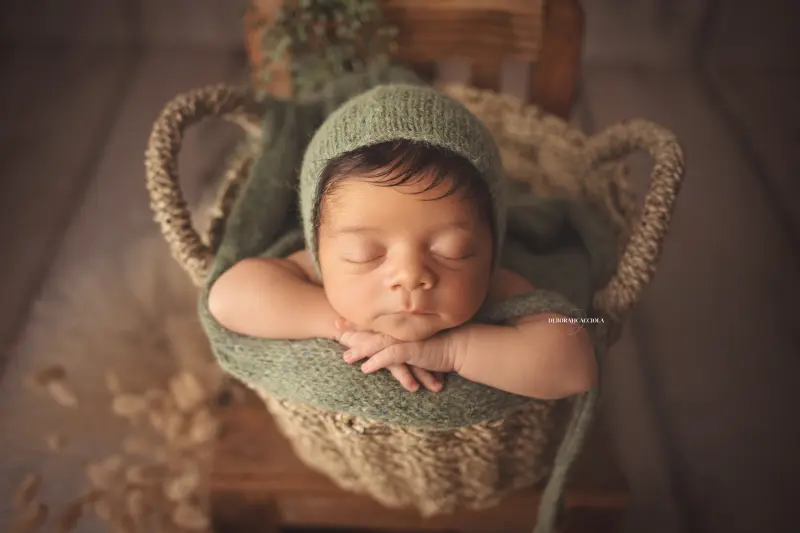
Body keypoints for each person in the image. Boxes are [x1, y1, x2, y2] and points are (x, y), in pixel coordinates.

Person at [207, 83, 596, 399]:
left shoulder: (494, 285)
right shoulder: (319, 273)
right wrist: (340, 326)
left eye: (451, 251)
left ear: (491, 244)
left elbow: (574, 366)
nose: (410, 277)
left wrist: (451, 351)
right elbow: (228, 297)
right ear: (318, 248)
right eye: (365, 254)